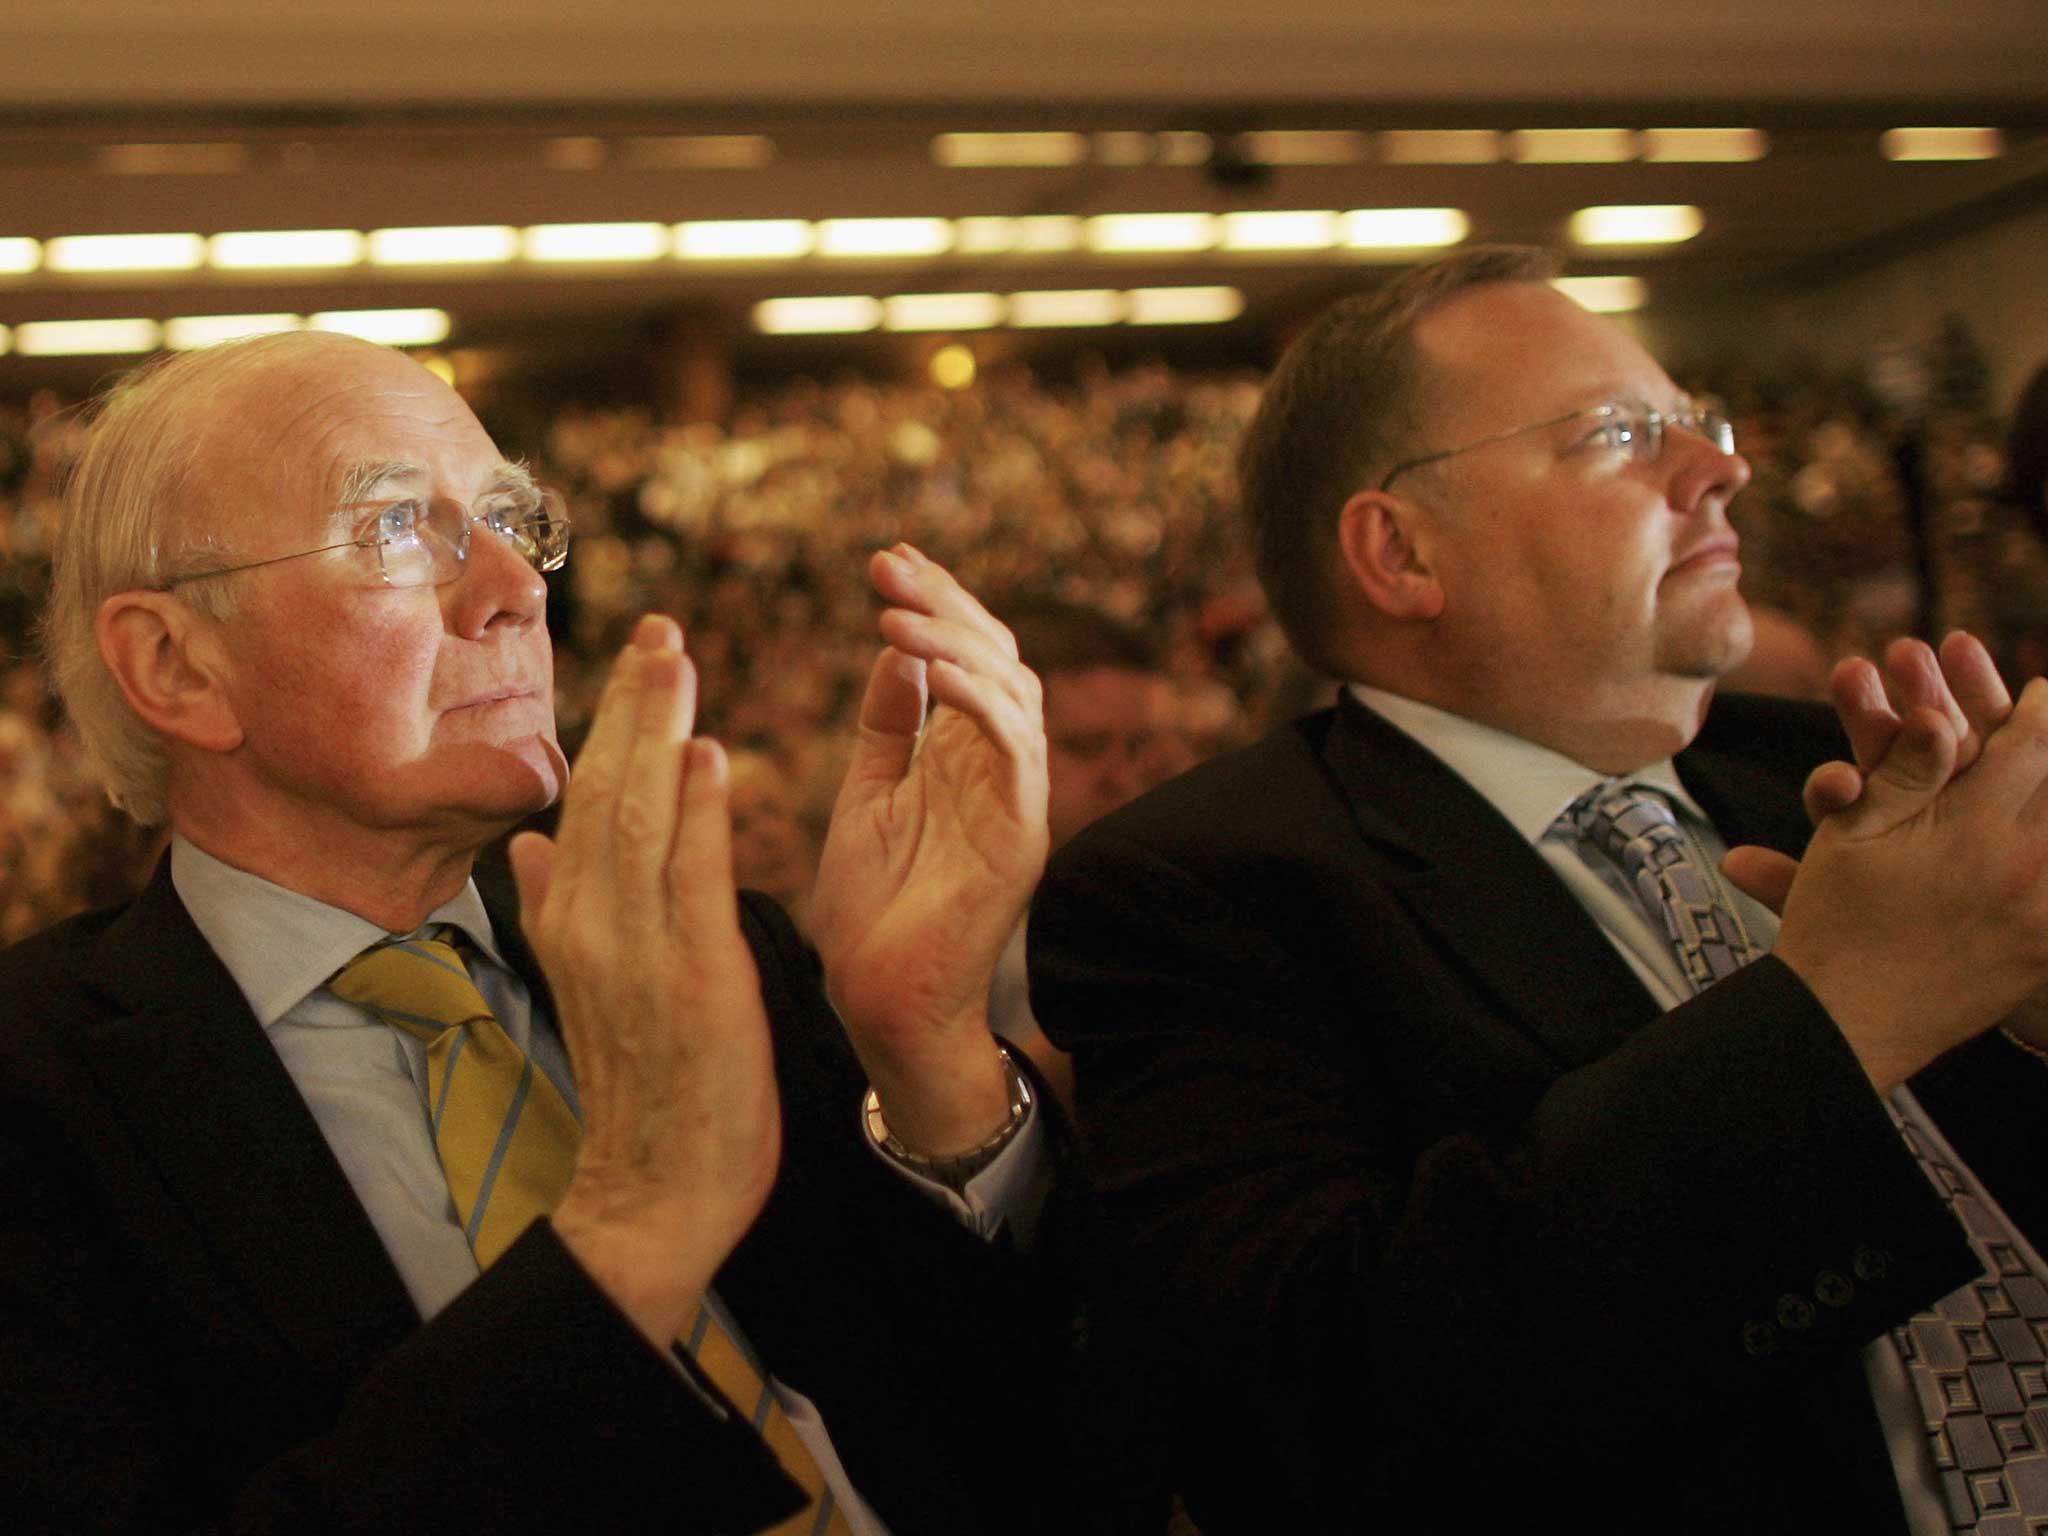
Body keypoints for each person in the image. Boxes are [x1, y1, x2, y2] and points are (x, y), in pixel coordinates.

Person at [1029, 246, 2048, 1533]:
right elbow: (1323, 1415)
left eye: (1701, 424)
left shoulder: (1842, 774)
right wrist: (1837, 1019)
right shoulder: (1204, 886)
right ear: (1398, 552)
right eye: (1621, 435)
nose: (1720, 469)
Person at [0, 329, 1084, 1535]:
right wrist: (632, 1232)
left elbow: (1064, 1451)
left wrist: (926, 1051)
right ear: (175, 665)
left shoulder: (708, 952)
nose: (515, 587)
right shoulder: (41, 1089)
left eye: (513, 522)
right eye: (400, 533)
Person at [987, 599, 1191, 1108]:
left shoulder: (1166, 886)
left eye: (1139, 745)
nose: (1121, 778)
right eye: (1085, 746)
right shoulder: (944, 916)